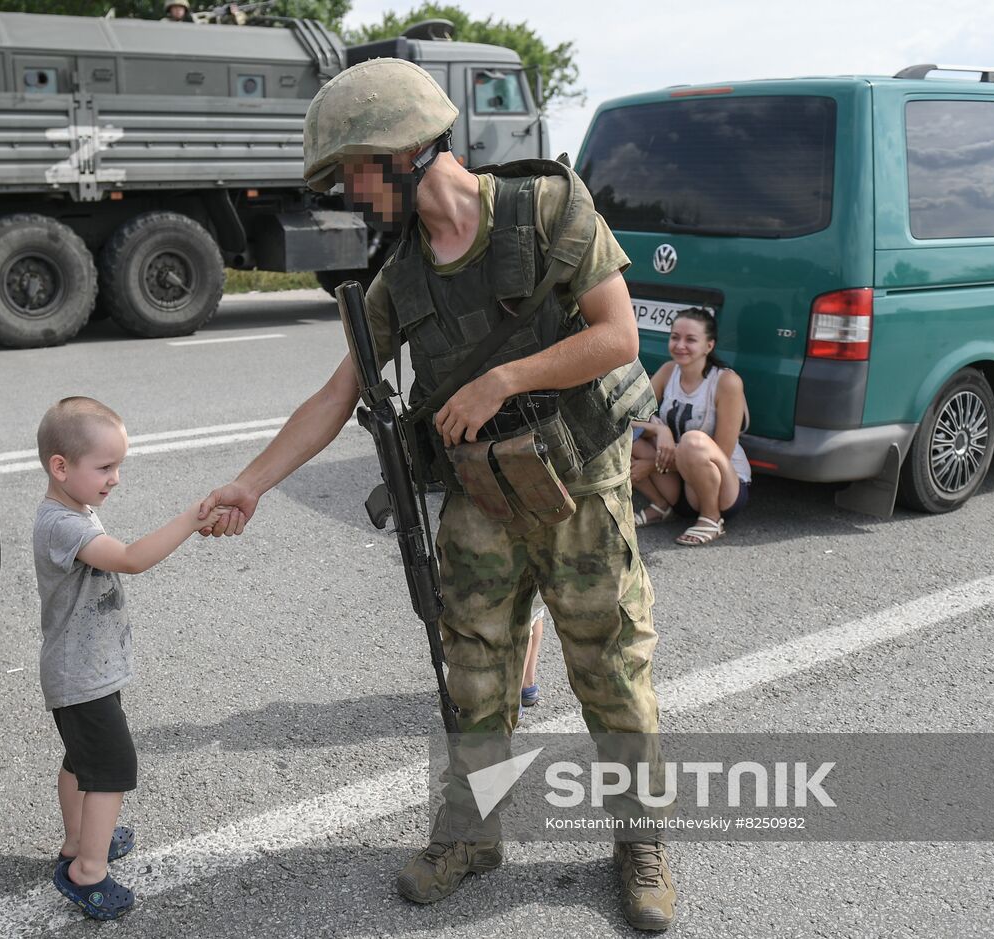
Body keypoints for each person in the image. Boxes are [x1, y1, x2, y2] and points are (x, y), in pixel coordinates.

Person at [195, 58, 676, 931]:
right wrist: (251, 484)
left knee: (610, 668)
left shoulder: (547, 207)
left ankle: (638, 837)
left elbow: (616, 337)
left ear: (404, 151)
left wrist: (503, 379)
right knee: (475, 677)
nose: (349, 192)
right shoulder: (399, 279)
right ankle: (473, 832)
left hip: (579, 484)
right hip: (481, 497)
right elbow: (337, 394)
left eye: (354, 171)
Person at [34, 396, 228, 921]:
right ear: (61, 467)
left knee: (82, 761)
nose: (115, 478)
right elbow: (130, 559)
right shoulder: (63, 524)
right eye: (105, 467)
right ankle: (87, 872)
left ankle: (79, 841)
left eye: (117, 465)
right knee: (112, 770)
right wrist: (190, 519)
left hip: (83, 671)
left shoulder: (72, 508)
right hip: (80, 676)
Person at [631, 308, 751, 546]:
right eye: (675, 337)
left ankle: (711, 519)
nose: (680, 345)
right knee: (623, 434)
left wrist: (651, 465)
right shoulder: (668, 371)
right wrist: (660, 430)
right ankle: (661, 506)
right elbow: (631, 412)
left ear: (709, 345)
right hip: (680, 487)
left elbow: (722, 452)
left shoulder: (727, 382)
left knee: (693, 441)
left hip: (721, 489)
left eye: (691, 340)